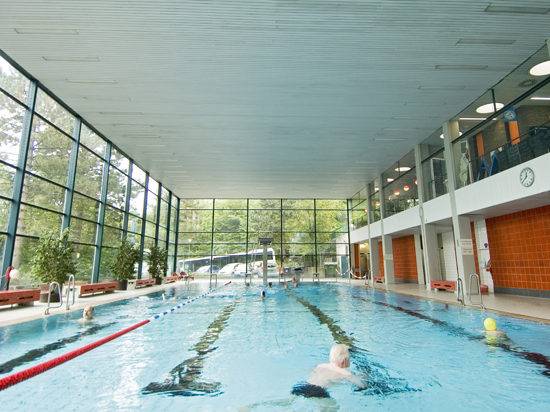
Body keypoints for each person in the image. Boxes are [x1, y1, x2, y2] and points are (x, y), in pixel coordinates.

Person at [292, 344, 364, 398]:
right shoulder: (344, 373)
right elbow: (361, 385)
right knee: (333, 407)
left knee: (293, 399)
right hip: (318, 391)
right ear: (345, 360)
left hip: (302, 386)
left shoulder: (321, 365)